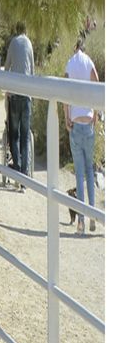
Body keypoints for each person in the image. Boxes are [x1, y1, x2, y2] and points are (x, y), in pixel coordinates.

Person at [68, 35, 99, 233]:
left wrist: (66, 118)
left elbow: (63, 93)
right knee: (89, 171)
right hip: (88, 123)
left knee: (79, 174)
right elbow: (98, 86)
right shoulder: (89, 63)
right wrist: (96, 113)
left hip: (75, 122)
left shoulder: (70, 63)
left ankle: (80, 221)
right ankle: (93, 216)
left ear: (74, 47)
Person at [2, 22, 36, 176]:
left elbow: (7, 67)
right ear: (26, 30)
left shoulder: (13, 43)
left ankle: (17, 167)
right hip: (27, 94)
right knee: (25, 134)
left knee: (14, 134)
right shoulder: (29, 43)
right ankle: (25, 172)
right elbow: (33, 71)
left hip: (15, 95)